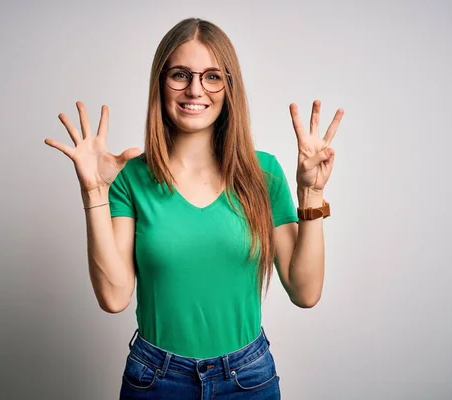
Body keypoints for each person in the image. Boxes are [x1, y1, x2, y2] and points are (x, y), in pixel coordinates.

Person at [44, 17, 343, 400]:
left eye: (212, 76)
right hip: (155, 380)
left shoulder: (263, 172)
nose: (195, 89)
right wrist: (93, 192)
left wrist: (311, 194)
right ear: (161, 83)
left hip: (246, 379)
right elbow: (114, 297)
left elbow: (305, 291)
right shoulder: (131, 176)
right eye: (180, 75)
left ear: (229, 87)